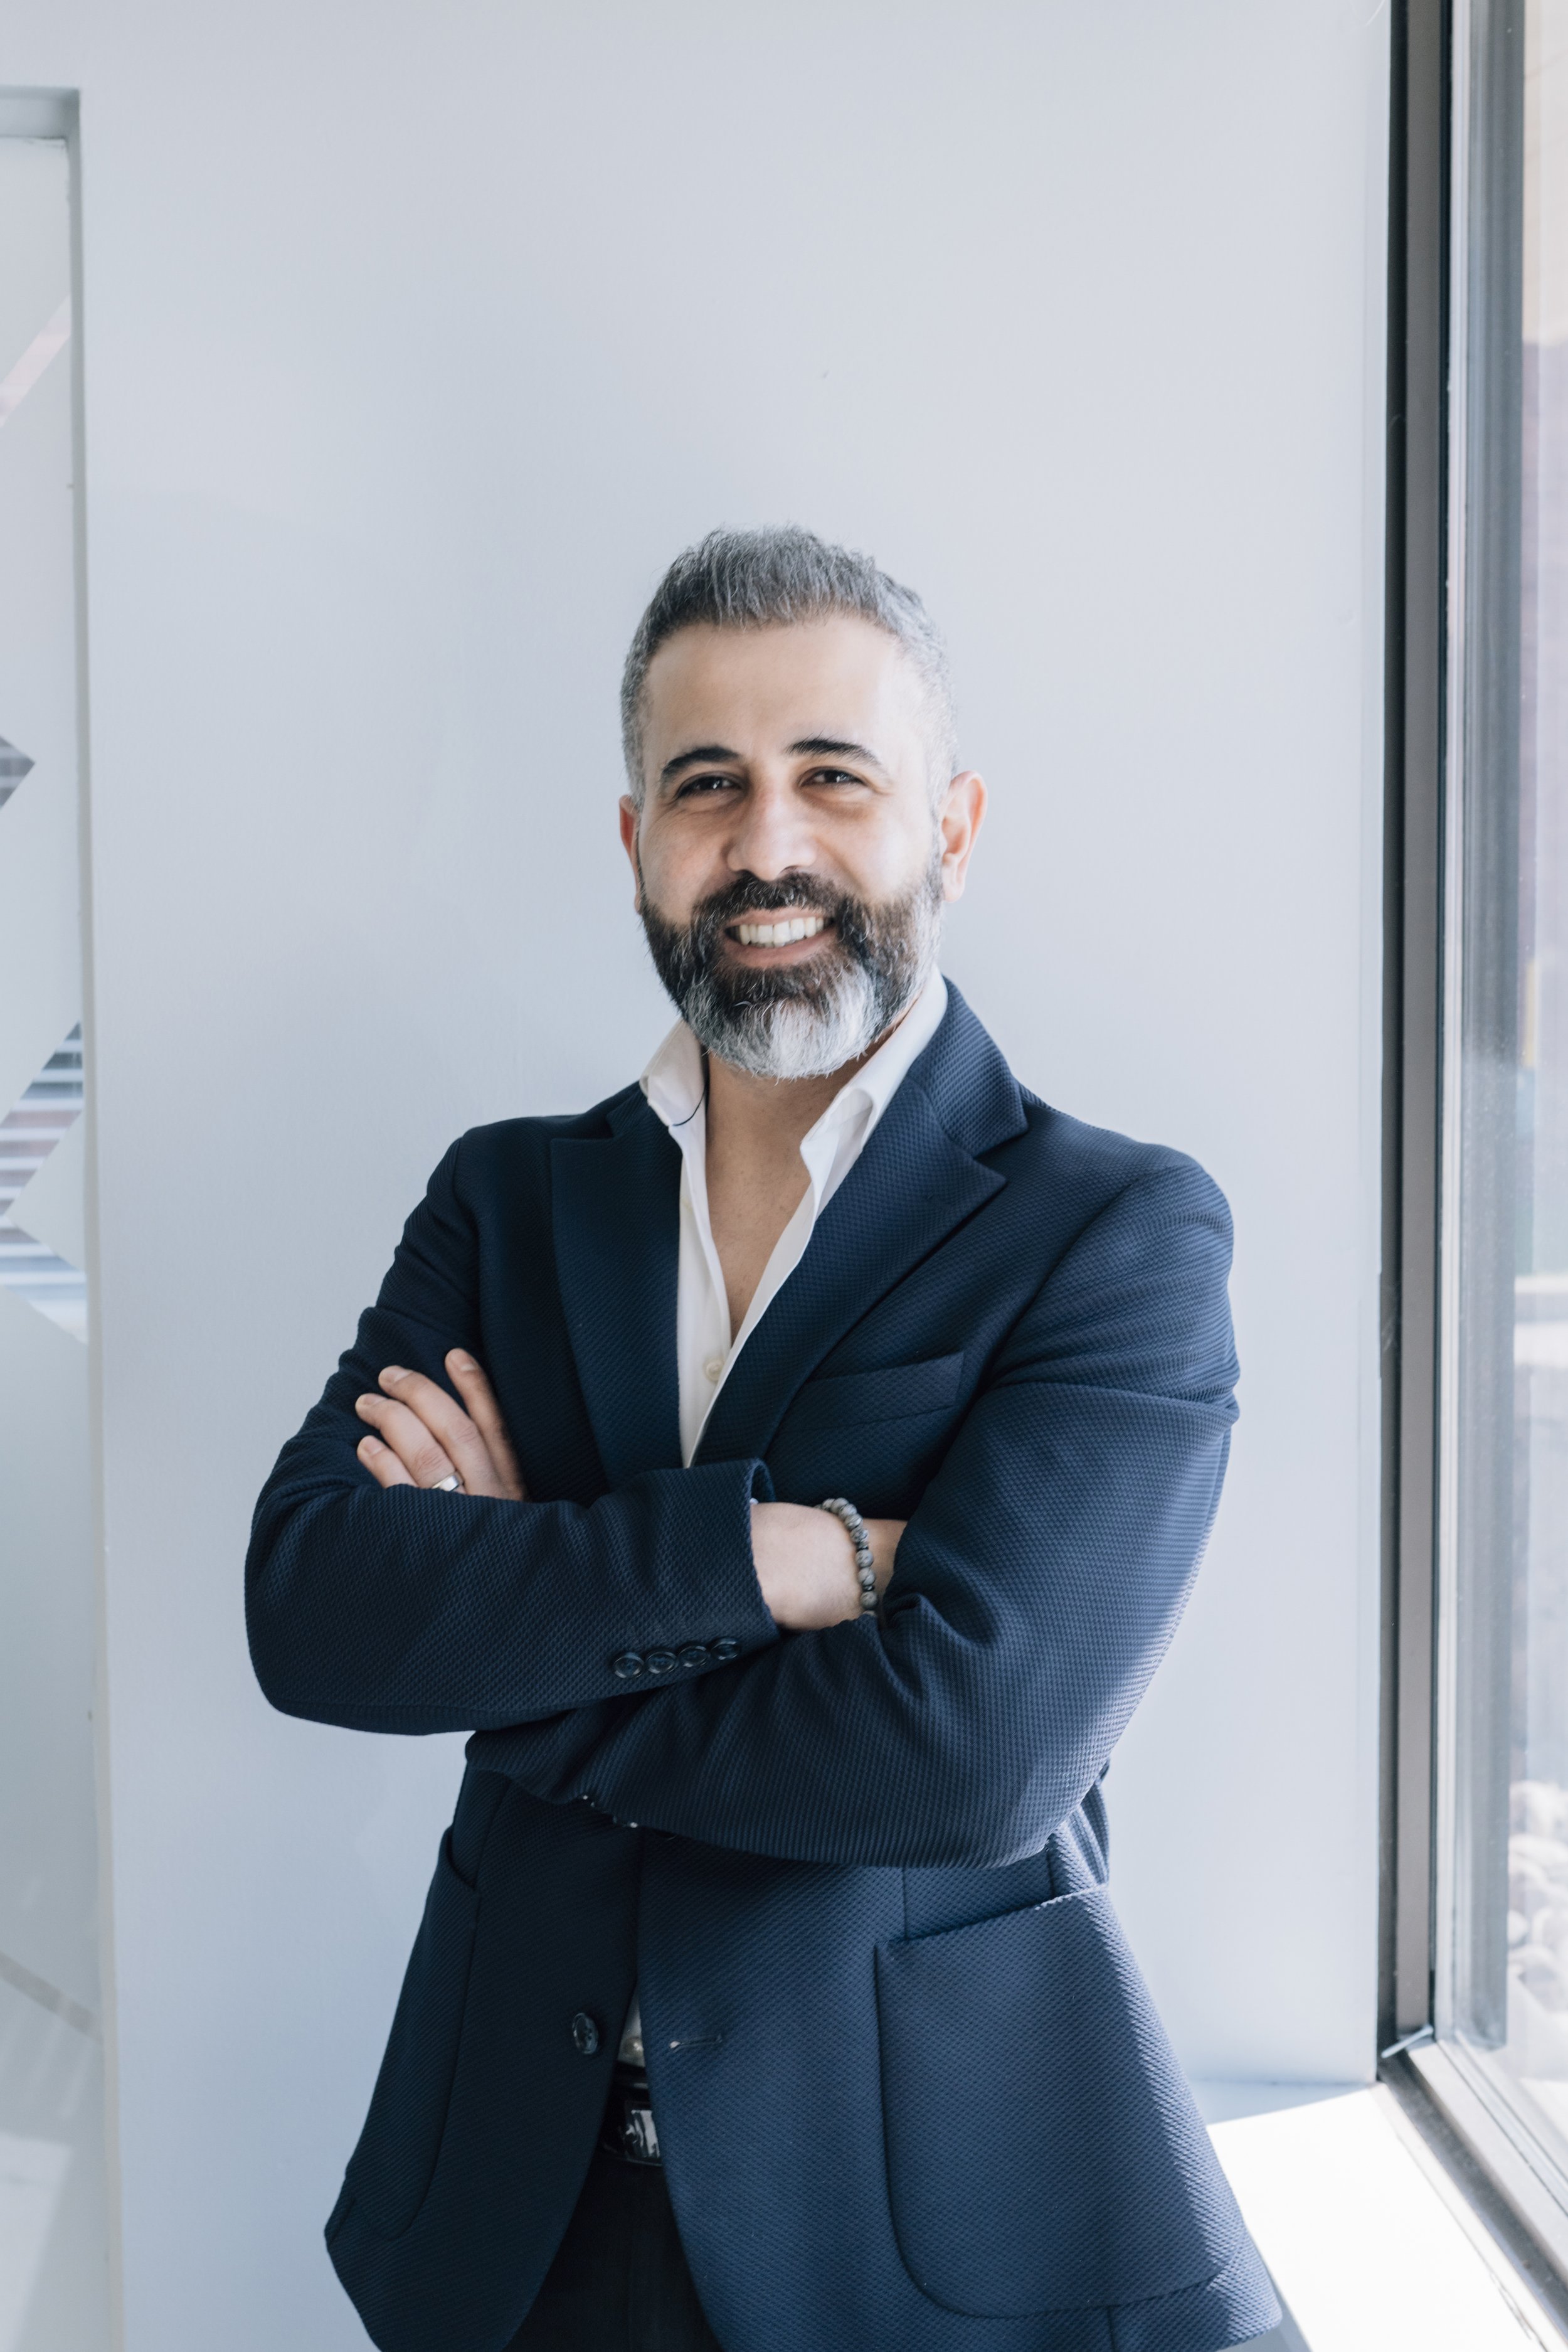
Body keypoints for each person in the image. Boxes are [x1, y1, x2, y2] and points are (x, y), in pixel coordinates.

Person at [246, 526, 1278, 2352]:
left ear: (948, 825)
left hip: (917, 2232)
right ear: (635, 840)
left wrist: (522, 1629)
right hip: (515, 2214)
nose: (768, 845)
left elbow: (968, 1759)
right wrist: (778, 1560)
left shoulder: (1108, 1231)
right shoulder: (505, 1201)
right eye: (707, 785)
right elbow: (318, 1611)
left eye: (832, 778)